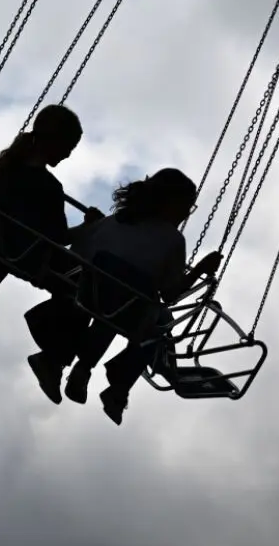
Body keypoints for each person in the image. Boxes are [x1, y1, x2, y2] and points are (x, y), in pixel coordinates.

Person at [24, 169, 221, 423]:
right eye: (187, 206)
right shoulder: (173, 239)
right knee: (158, 321)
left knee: (120, 304)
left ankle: (73, 367)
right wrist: (200, 270)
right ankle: (115, 388)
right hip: (130, 311)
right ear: (170, 203)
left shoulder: (111, 222)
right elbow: (170, 293)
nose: (187, 213)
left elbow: (80, 254)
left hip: (90, 295)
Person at [0, 104, 103, 348]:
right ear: (53, 141)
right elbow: (59, 238)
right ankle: (53, 348)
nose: (68, 155)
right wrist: (89, 227)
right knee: (89, 285)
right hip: (34, 256)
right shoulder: (49, 187)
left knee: (3, 247)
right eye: (68, 147)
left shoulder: (7, 170)